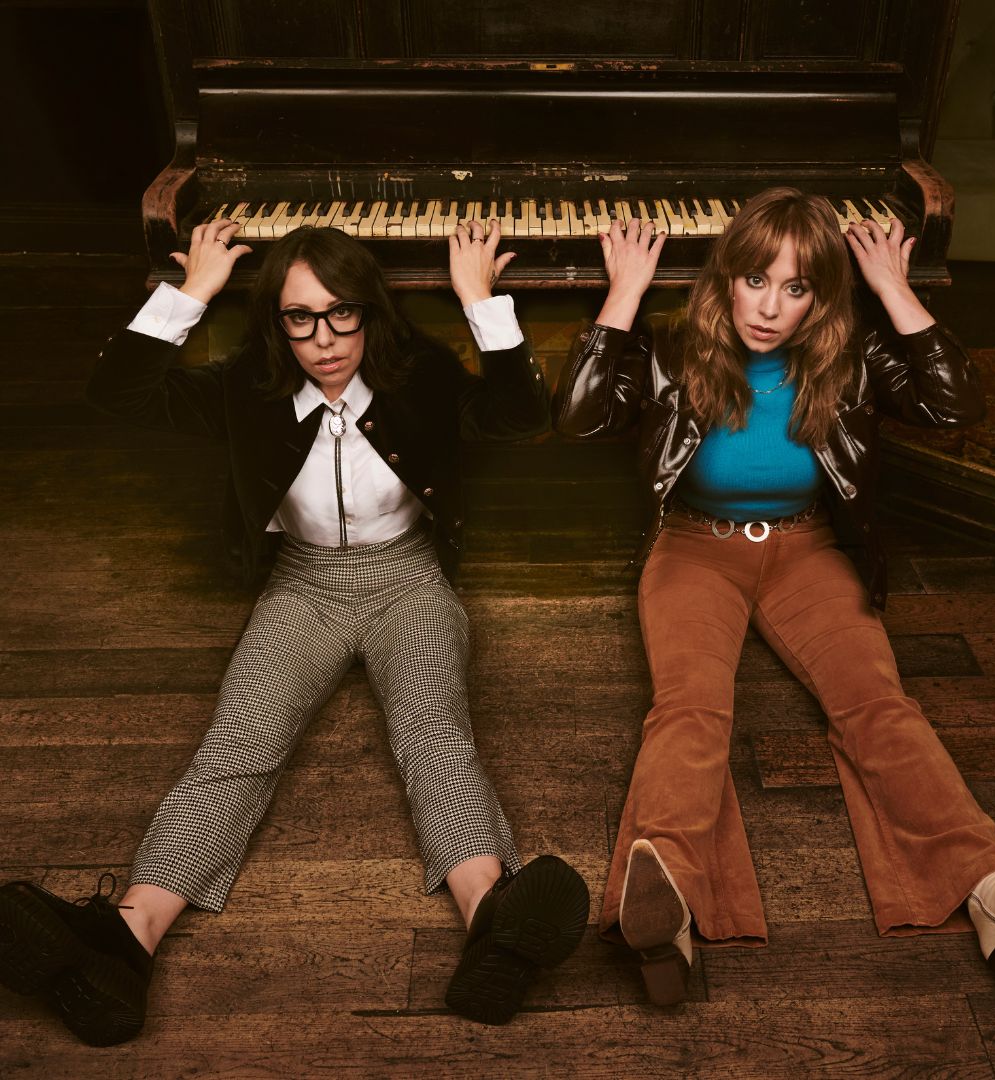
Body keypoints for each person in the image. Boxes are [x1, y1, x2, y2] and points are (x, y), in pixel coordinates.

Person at [0, 218, 589, 1044]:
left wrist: (479, 301)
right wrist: (191, 293)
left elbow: (518, 416)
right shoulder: (248, 388)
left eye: (343, 313)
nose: (325, 339)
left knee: (435, 737)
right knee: (237, 747)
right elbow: (117, 394)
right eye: (300, 317)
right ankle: (126, 941)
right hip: (302, 585)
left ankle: (492, 916)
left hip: (408, 579)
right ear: (276, 324)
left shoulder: (419, 377)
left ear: (371, 312)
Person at [551, 186, 995, 1004]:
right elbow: (580, 419)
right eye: (756, 280)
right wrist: (622, 297)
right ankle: (669, 906)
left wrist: (893, 287)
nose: (770, 308)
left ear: (820, 298)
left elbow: (956, 404)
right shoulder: (673, 350)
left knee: (878, 704)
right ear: (726, 279)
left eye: (796, 288)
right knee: (691, 710)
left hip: (807, 549)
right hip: (695, 549)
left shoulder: (851, 357)